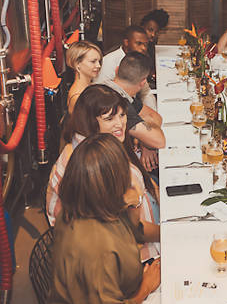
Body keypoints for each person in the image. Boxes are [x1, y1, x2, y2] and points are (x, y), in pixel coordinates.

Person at [48, 134, 161, 304]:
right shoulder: (93, 249)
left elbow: (134, 229)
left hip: (102, 300)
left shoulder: (89, 204)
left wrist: (167, 230)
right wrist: (146, 287)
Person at [46, 85, 160, 245]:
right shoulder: (92, 163)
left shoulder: (98, 144)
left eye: (122, 115)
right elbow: (132, 231)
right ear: (90, 122)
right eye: (109, 119)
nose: (120, 124)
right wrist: (171, 234)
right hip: (122, 251)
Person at [105, 53, 166, 170]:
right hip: (110, 166)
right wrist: (146, 138)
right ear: (143, 83)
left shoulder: (111, 88)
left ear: (116, 70)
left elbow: (155, 116)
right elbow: (159, 141)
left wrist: (144, 140)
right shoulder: (117, 102)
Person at [96, 25, 155, 108]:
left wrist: (152, 111)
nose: (143, 48)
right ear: (126, 42)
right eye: (139, 43)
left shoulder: (139, 60)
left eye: (146, 44)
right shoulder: (109, 62)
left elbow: (145, 92)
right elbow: (99, 94)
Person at [65, 41, 102, 114]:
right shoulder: (77, 97)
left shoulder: (91, 87)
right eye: (93, 61)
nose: (98, 65)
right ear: (77, 64)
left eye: (99, 61)